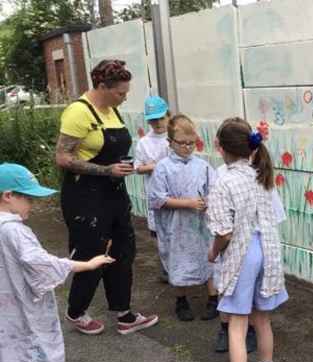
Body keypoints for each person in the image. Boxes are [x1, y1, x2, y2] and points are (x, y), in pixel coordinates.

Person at [0, 163, 115, 362]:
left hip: (7, 312)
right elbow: (40, 263)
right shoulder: (13, 231)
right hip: (24, 312)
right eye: (28, 198)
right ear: (8, 195)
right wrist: (86, 264)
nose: (32, 205)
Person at [55, 59, 158, 336]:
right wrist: (105, 170)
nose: (124, 98)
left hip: (114, 192)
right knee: (92, 252)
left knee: (123, 250)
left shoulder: (112, 111)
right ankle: (76, 312)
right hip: (84, 195)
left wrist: (123, 168)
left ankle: (124, 313)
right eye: (120, 93)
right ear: (101, 86)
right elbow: (63, 158)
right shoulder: (78, 112)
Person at [208, 118, 288, 362]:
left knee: (237, 327)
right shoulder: (261, 177)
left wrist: (213, 252)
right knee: (263, 319)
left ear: (221, 148)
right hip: (268, 253)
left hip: (242, 255)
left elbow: (223, 232)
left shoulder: (224, 181)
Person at [149, 114, 218, 321]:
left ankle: (213, 297)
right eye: (182, 143)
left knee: (208, 256)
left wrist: (207, 201)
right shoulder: (163, 167)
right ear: (170, 142)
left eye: (192, 143)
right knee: (177, 259)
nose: (187, 148)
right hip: (175, 225)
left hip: (199, 224)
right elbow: (156, 199)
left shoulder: (203, 166)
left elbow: (214, 190)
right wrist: (186, 203)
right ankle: (181, 299)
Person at [134, 95, 170, 278]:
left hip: (175, 193)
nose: (157, 123)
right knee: (158, 231)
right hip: (155, 194)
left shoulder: (174, 137)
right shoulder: (144, 142)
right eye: (153, 120)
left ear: (168, 116)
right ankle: (165, 266)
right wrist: (156, 166)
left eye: (161, 118)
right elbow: (137, 167)